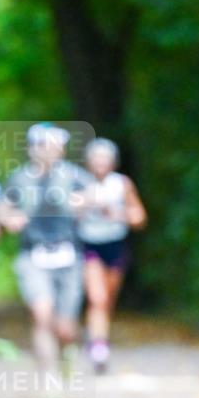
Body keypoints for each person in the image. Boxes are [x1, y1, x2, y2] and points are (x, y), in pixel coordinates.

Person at [0, 123, 91, 375]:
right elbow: (2, 208)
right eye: (43, 145)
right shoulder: (19, 178)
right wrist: (9, 219)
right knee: (41, 315)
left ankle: (67, 357)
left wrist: (83, 203)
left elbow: (96, 195)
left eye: (55, 146)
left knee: (65, 327)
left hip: (69, 255)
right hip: (32, 254)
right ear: (32, 148)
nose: (50, 151)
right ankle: (49, 378)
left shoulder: (73, 176)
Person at [76, 138, 147, 373]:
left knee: (107, 300)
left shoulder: (122, 184)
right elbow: (66, 212)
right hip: (89, 245)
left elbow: (139, 217)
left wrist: (119, 213)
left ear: (112, 162)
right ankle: (99, 346)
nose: (100, 163)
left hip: (115, 245)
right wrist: (84, 204)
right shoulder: (80, 183)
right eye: (95, 158)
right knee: (97, 298)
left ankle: (95, 335)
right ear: (88, 162)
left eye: (104, 158)